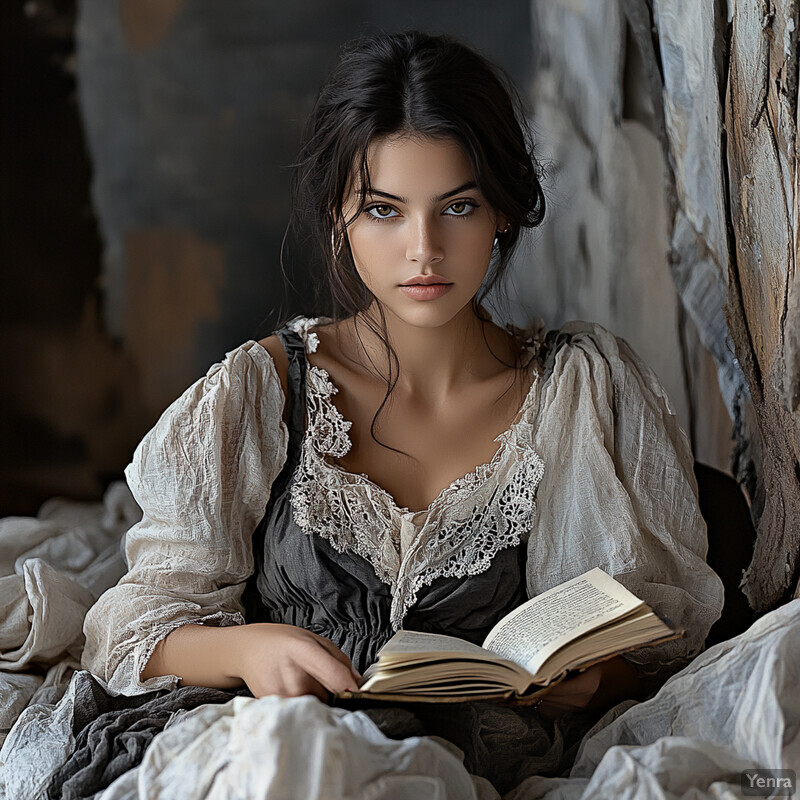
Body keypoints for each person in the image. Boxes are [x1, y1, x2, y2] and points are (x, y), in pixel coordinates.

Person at [79, 30, 724, 793]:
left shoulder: (581, 390)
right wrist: (249, 652)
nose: (424, 249)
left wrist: (599, 678)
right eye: (384, 210)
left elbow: (662, 635)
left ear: (504, 214)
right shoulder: (261, 392)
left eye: (457, 206)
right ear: (337, 218)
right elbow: (131, 629)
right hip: (277, 748)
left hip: (477, 767)